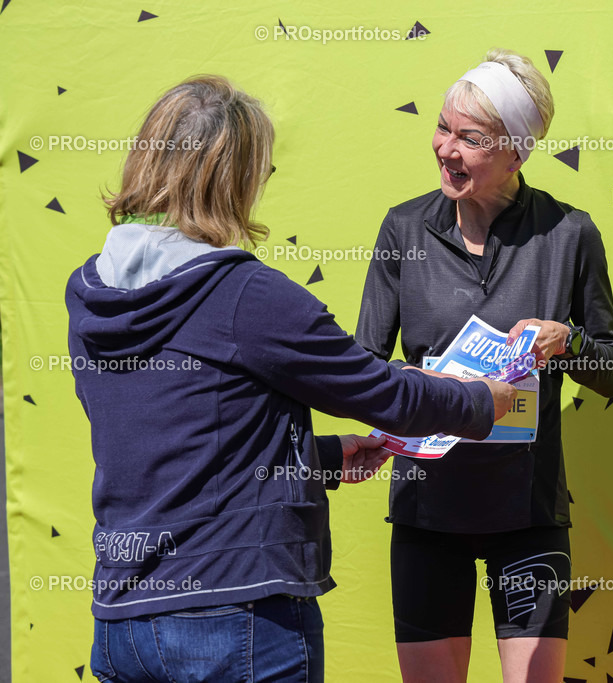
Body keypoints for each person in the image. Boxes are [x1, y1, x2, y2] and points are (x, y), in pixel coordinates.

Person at [66, 75, 517, 683]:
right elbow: (382, 393)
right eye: (263, 172)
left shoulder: (90, 292)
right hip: (236, 615)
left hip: (124, 625)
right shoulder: (243, 294)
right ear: (233, 178)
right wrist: (482, 401)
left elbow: (177, 442)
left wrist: (321, 460)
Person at [356, 49, 613, 682]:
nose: (446, 148)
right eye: (443, 127)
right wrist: (418, 387)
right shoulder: (403, 230)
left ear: (518, 151)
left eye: (470, 138)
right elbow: (364, 368)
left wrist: (568, 341)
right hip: (428, 507)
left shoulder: (570, 234)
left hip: (526, 513)